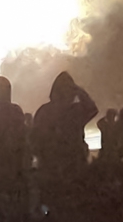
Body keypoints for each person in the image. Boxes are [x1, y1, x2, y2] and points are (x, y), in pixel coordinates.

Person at [32, 72, 99, 204]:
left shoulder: (44, 111)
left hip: (53, 168)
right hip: (70, 166)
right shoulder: (74, 111)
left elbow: (35, 140)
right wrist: (79, 90)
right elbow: (92, 108)